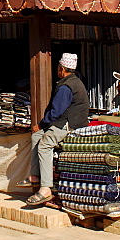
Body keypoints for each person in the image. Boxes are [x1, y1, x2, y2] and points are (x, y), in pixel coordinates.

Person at [23, 52, 90, 207]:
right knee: (36, 137)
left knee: (45, 144)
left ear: (61, 69)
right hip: (65, 120)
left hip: (71, 123)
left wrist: (41, 124)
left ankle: (46, 188)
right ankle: (35, 175)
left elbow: (56, 111)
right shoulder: (72, 81)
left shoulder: (66, 86)